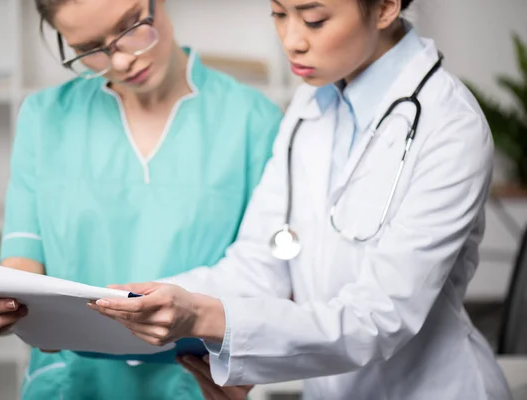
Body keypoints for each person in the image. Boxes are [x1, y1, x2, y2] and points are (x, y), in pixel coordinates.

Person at [89, 0, 514, 399]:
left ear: (385, 7)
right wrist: (136, 306)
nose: (291, 39)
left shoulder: (451, 126)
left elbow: (380, 318)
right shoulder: (314, 98)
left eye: (313, 19)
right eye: (278, 13)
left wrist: (206, 318)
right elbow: (260, 264)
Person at [0, 0, 283, 399]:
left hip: (193, 386)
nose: (121, 60)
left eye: (130, 26)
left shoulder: (255, 121)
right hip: (70, 384)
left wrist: (249, 365)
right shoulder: (45, 117)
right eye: (90, 49)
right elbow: (22, 269)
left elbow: (269, 284)